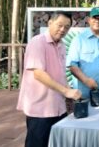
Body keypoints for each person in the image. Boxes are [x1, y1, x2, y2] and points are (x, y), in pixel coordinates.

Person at [17, 11, 82, 147]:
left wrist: (69, 91)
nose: (63, 29)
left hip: (58, 106)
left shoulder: (62, 45)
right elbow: (39, 74)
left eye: (67, 27)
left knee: (56, 143)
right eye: (60, 25)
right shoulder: (37, 42)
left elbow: (59, 74)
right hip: (40, 108)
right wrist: (65, 91)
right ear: (50, 23)